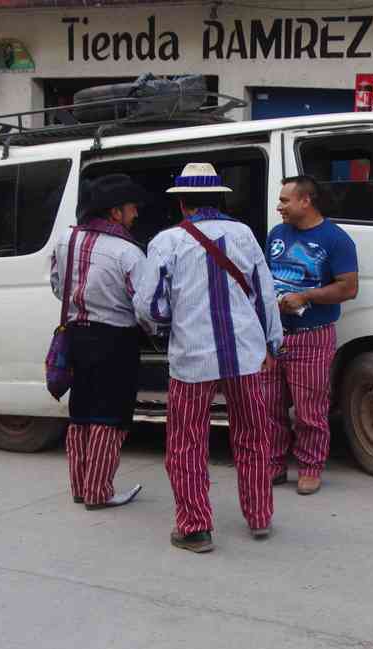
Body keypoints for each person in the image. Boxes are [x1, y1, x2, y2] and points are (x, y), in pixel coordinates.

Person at [134, 162, 282, 554]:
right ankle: (259, 516)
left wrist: (169, 326)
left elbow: (150, 307)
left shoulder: (166, 241)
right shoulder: (244, 235)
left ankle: (195, 527)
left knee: (186, 442)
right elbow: (264, 296)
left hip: (191, 359)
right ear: (218, 198)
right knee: (253, 435)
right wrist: (271, 345)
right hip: (245, 356)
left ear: (182, 203)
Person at [50, 174, 145, 510]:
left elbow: (57, 285)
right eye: (132, 208)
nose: (136, 214)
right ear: (115, 212)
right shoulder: (128, 252)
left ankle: (80, 487)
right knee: (110, 416)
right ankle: (99, 492)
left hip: (76, 335)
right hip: (115, 340)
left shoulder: (66, 240)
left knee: (82, 412)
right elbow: (144, 305)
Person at [262, 175, 358, 495]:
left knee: (309, 409)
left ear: (306, 201)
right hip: (275, 335)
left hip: (312, 336)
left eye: (285, 201)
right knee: (270, 405)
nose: (279, 207)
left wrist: (306, 297)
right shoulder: (277, 234)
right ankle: (275, 465)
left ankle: (310, 467)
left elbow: (349, 287)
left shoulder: (336, 240)